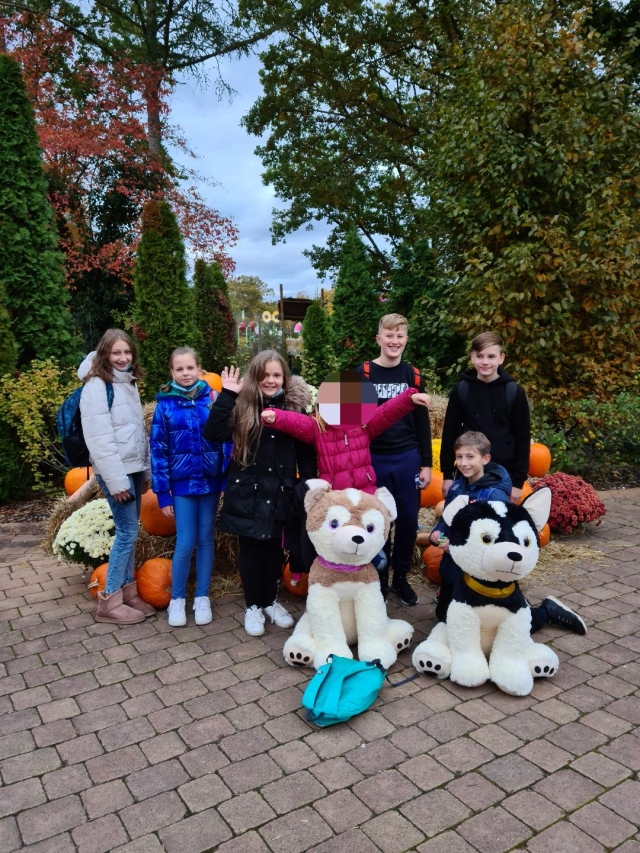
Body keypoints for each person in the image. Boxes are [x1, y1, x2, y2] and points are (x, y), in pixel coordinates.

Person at [203, 352, 317, 638]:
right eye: (265, 375)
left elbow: (306, 449)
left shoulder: (295, 409)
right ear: (255, 377)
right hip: (247, 492)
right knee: (252, 551)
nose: (270, 380)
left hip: (281, 493)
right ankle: (252, 605)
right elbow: (213, 433)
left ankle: (270, 601)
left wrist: (310, 484)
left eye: (276, 375)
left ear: (285, 379)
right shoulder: (242, 406)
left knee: (275, 551)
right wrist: (228, 395)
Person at [431, 431, 586, 635]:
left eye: (470, 457)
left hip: (482, 568)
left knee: (505, 625)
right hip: (454, 564)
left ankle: (545, 612)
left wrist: (457, 546)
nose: (463, 463)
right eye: (459, 457)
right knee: (444, 617)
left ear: (485, 458)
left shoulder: (494, 495)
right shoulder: (457, 487)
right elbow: (447, 517)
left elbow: (502, 537)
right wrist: (438, 531)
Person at [150, 347, 231, 628]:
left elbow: (225, 439)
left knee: (206, 538)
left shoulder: (212, 398)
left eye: (190, 368)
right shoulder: (165, 405)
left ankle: (202, 596)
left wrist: (224, 477)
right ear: (172, 373)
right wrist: (162, 491)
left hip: (209, 481)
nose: (186, 373)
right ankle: (177, 599)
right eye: (179, 369)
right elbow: (158, 449)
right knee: (185, 542)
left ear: (200, 369)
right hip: (182, 486)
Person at [356, 313, 433, 606]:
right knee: (378, 522)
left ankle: (400, 578)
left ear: (406, 340)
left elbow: (423, 421)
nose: (394, 341)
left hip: (406, 459)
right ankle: (379, 580)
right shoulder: (362, 373)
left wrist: (426, 463)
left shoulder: (412, 376)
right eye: (389, 335)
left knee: (409, 522)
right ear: (378, 339)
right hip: (373, 458)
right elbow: (349, 419)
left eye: (400, 336)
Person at [79, 329, 154, 625]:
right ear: (104, 355)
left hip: (133, 468)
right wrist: (117, 481)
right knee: (126, 533)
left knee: (131, 531)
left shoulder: (127, 383)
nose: (123, 358)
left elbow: (137, 433)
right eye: (116, 353)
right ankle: (109, 601)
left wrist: (144, 471)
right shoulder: (97, 386)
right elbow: (100, 440)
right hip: (117, 473)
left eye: (127, 352)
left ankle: (128, 592)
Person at [440, 331, 530, 504]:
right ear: (472, 357)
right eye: (480, 356)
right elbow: (449, 433)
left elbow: (522, 439)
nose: (485, 362)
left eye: (491, 356)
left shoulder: (513, 392)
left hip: (502, 475)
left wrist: (518, 483)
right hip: (468, 474)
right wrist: (447, 475)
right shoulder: (461, 390)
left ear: (501, 358)